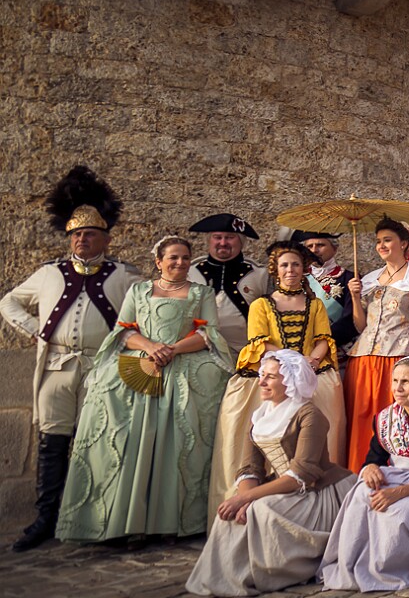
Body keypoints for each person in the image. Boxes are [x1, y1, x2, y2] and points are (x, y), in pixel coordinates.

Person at [56, 236, 231, 543]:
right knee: (130, 440)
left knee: (176, 443)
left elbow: (208, 334)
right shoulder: (139, 290)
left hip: (181, 367)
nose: (180, 262)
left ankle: (169, 523)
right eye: (173, 257)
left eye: (185, 257)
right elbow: (123, 330)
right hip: (140, 366)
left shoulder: (201, 292)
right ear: (158, 261)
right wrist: (151, 347)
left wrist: (171, 350)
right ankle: (126, 522)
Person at [0, 166, 140, 552]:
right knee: (52, 441)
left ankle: (97, 519)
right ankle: (46, 518)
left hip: (101, 369)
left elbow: (146, 310)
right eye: (76, 234)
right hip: (55, 368)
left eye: (90, 234)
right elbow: (8, 302)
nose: (82, 239)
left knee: (96, 441)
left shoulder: (125, 275)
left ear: (106, 239)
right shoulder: (48, 274)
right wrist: (36, 329)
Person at [186, 350, 356, 597]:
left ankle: (269, 573)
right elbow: (250, 467)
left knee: (261, 509)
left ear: (291, 381)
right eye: (262, 375)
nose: (262, 382)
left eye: (271, 377)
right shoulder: (260, 416)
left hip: (316, 491)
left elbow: (303, 473)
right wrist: (243, 499)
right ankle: (226, 576)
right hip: (283, 485)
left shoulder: (310, 415)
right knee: (231, 512)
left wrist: (247, 498)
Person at [210, 241, 345, 518]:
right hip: (271, 367)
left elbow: (323, 339)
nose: (290, 270)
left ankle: (316, 494)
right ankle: (250, 492)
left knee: (327, 395)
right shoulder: (261, 304)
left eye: (295, 264)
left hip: (310, 368)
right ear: (276, 270)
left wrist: (312, 361)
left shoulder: (315, 304)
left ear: (303, 269)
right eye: (284, 265)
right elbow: (259, 342)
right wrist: (291, 361)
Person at [319, 356, 409, 592]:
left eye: (405, 382)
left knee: (402, 511)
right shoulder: (386, 417)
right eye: (395, 381)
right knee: (361, 495)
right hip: (398, 475)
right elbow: (374, 458)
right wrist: (370, 468)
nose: (397, 388)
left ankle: (392, 569)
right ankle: (358, 565)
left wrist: (398, 493)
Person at [343, 217, 409, 471]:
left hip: (399, 358)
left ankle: (396, 472)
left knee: (395, 417)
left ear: (403, 243)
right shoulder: (370, 279)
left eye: (387, 240)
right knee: (364, 418)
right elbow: (361, 326)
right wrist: (354, 297)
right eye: (378, 241)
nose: (381, 246)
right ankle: (361, 471)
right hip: (364, 361)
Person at [189, 213, 270, 359]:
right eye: (217, 237)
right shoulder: (191, 272)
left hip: (245, 354)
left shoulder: (260, 274)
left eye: (230, 237)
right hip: (199, 352)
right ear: (209, 240)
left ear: (241, 242)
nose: (223, 242)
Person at [293, 230, 357, 348]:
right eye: (309, 246)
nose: (314, 250)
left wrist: (322, 341)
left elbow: (350, 318)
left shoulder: (349, 278)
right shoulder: (297, 278)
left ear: (334, 249)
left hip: (336, 345)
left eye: (320, 245)